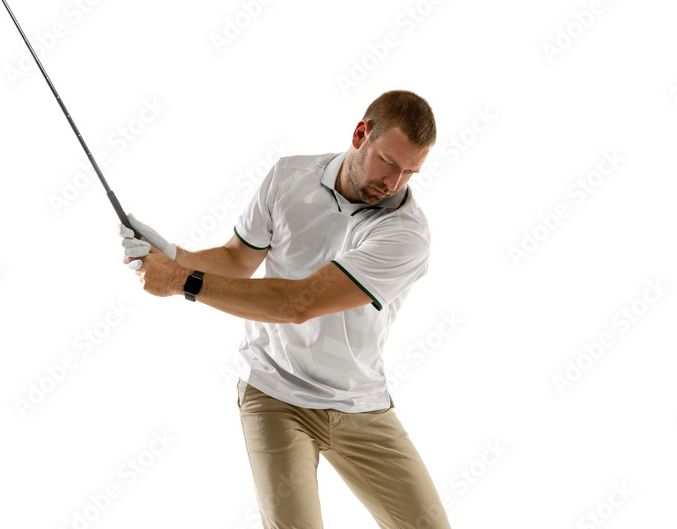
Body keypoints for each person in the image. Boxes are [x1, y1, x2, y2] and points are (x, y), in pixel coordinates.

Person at [119, 90, 451, 529]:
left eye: (410, 171)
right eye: (389, 162)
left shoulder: (407, 233)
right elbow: (239, 259)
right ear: (360, 134)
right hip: (275, 392)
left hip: (358, 402)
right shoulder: (288, 176)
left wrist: (181, 280)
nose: (394, 183)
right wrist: (176, 254)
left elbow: (300, 304)